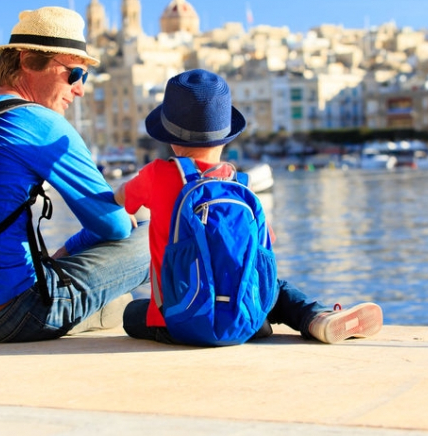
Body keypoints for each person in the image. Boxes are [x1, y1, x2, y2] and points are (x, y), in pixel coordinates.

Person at [0, 6, 149, 342]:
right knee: (155, 228)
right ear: (27, 61)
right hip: (4, 317)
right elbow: (112, 225)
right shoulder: (40, 123)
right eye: (74, 74)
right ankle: (99, 310)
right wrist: (72, 248)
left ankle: (97, 310)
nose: (79, 89)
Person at [114, 69, 383, 345]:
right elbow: (262, 251)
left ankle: (246, 323)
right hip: (241, 312)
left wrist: (121, 205)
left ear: (170, 136)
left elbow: (122, 197)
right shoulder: (241, 186)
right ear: (226, 137)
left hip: (177, 321)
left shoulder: (156, 174)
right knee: (276, 287)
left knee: (132, 313)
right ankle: (314, 317)